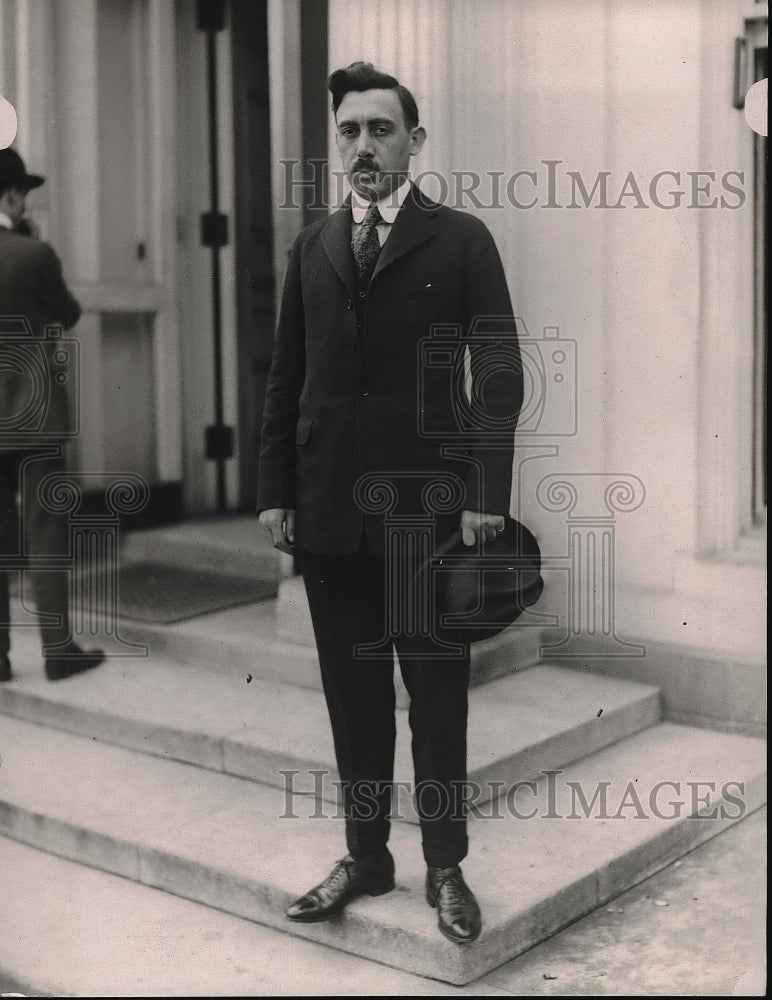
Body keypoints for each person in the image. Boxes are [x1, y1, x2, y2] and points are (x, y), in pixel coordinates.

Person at [258, 63, 522, 945]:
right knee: (352, 696)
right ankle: (366, 856)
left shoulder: (461, 240)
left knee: (436, 696)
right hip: (330, 514)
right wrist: (274, 493)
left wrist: (486, 494)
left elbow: (500, 374)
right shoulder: (313, 246)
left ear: (415, 140)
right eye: (349, 131)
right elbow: (287, 378)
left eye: (380, 129)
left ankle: (445, 866)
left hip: (430, 521)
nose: (363, 146)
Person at [0, 147, 104, 682]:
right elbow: (68, 311)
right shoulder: (32, 255)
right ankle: (58, 650)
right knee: (44, 533)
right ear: (13, 197)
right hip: (33, 417)